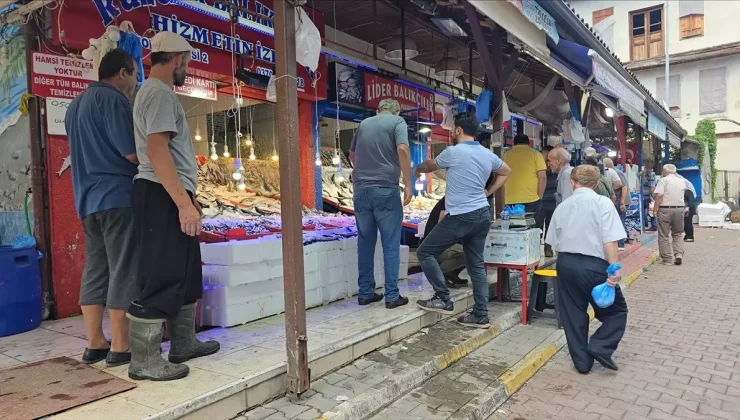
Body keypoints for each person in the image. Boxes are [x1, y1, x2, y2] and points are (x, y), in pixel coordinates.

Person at [128, 31, 219, 381]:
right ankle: (145, 359)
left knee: (184, 271)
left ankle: (183, 343)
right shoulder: (159, 93)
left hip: (170, 192)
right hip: (160, 193)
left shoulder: (152, 93)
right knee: (161, 272)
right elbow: (156, 150)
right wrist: (183, 203)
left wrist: (187, 198)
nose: (187, 68)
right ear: (177, 59)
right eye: (188, 62)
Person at [65, 49, 139, 368]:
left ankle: (95, 343)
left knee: (96, 266)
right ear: (121, 73)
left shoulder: (74, 106)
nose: (136, 81)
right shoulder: (113, 100)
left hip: (86, 200)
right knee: (123, 266)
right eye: (135, 73)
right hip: (117, 196)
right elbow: (131, 153)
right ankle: (121, 346)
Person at [413, 112, 511, 328]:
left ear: (458, 130)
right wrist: (488, 191)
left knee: (424, 251)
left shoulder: (453, 152)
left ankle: (442, 297)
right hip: (482, 214)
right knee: (475, 265)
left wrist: (417, 169)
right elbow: (506, 171)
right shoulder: (487, 154)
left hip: (460, 216)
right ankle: (480, 314)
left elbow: (430, 165)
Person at [545, 165, 627, 373]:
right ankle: (600, 345)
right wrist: (614, 270)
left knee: (573, 314)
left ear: (572, 183)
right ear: (597, 183)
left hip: (565, 263)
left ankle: (582, 363)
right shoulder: (603, 203)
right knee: (616, 311)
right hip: (593, 266)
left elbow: (553, 243)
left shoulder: (562, 206)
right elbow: (610, 240)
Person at [349, 98, 412, 309]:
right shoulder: (397, 122)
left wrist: (364, 172)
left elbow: (352, 154)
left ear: (378, 110)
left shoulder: (364, 124)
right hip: (386, 188)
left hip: (360, 190)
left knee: (365, 242)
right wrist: (408, 183)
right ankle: (392, 295)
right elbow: (402, 149)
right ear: (397, 111)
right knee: (390, 243)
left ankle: (366, 293)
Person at [421, 132, 495, 288]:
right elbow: (442, 224)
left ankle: (450, 280)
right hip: (441, 245)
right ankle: (442, 280)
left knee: (475, 255)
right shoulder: (453, 199)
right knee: (473, 255)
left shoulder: (466, 198)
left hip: (455, 232)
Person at [503, 134, 547, 228]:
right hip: (532, 199)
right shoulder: (536, 154)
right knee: (531, 230)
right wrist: (540, 196)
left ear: (514, 143)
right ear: (528, 143)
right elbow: (542, 177)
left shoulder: (506, 155)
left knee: (514, 230)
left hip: (511, 200)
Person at [654, 164, 687, 265]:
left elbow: (659, 195)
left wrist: (655, 209)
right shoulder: (682, 181)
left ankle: (667, 259)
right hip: (679, 209)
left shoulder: (663, 180)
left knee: (664, 235)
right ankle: (678, 254)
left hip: (665, 209)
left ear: (665, 171)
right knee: (678, 233)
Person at [603, 158, 630, 249]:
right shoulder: (615, 172)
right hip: (618, 200)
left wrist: (622, 202)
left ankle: (620, 244)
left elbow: (624, 186)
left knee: (619, 221)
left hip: (621, 201)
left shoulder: (616, 172)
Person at [541, 145, 557, 257]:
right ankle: (534, 249)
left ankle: (548, 248)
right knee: (537, 227)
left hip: (553, 201)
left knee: (551, 227)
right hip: (540, 201)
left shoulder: (556, 169)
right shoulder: (539, 168)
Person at [676, 174, 697, 242]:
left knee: (688, 223)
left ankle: (690, 236)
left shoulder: (688, 191)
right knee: (685, 223)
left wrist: (687, 207)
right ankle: (687, 235)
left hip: (689, 210)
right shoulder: (683, 191)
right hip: (685, 209)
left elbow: (691, 201)